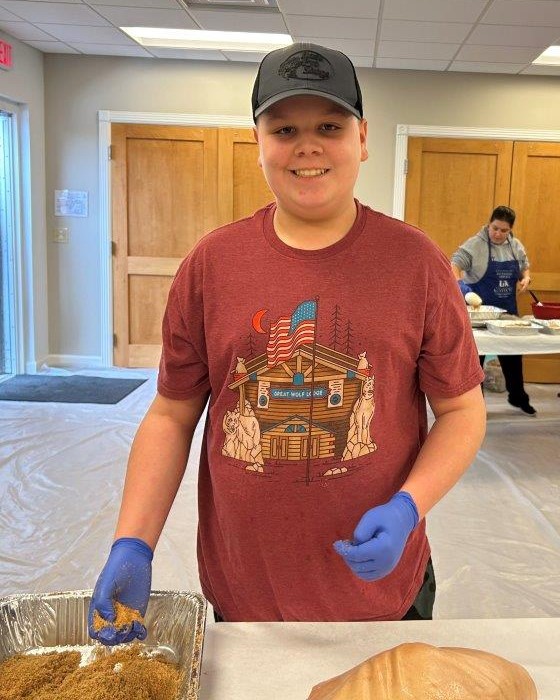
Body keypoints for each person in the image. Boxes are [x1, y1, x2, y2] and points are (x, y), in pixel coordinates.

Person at [88, 42, 486, 644]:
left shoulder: (417, 263)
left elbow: (461, 410)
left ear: (363, 137)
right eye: (285, 128)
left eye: (329, 125)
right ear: (259, 142)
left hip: (383, 594)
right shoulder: (212, 265)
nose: (308, 145)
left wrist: (410, 505)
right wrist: (132, 540)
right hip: (244, 589)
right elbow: (171, 416)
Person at [451, 206, 536, 416]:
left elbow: (524, 265)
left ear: (510, 230)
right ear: (489, 224)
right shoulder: (475, 244)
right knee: (475, 361)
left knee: (513, 356)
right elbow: (454, 265)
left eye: (504, 230)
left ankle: (517, 397)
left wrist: (525, 277)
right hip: (479, 313)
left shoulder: (515, 246)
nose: (498, 234)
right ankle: (475, 406)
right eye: (495, 228)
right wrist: (461, 286)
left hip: (507, 311)